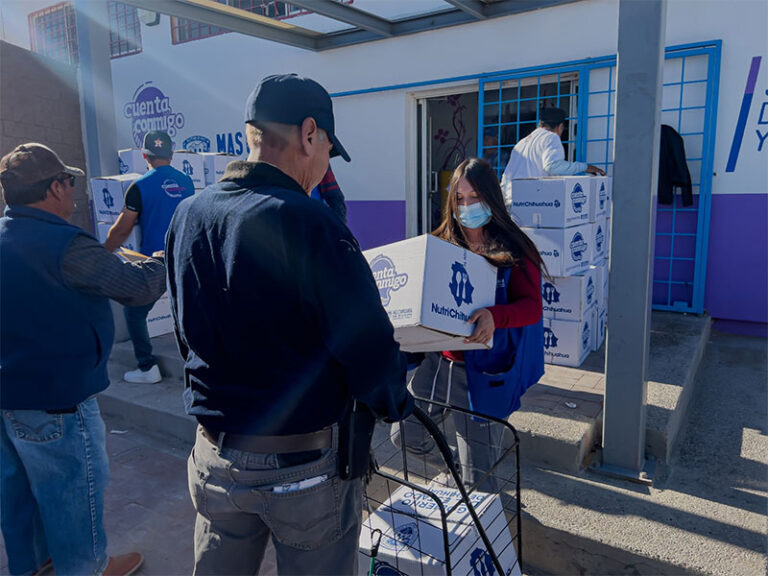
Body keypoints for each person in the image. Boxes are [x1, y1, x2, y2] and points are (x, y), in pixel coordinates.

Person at [165, 74, 414, 575]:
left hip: (214, 458)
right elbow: (367, 347)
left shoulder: (189, 214)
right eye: (326, 149)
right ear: (308, 134)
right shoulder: (312, 224)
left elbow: (185, 330)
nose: (324, 165)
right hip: (301, 472)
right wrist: (394, 399)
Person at [0, 143, 167, 576]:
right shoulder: (66, 245)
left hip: (7, 397)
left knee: (18, 498)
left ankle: (34, 567)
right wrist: (162, 263)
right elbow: (135, 288)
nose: (72, 191)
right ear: (55, 188)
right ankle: (87, 568)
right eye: (69, 181)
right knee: (72, 496)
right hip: (57, 402)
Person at [399, 157, 545, 492]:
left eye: (475, 198)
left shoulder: (516, 247)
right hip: (438, 365)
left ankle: (483, 524)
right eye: (460, 199)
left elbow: (532, 308)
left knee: (480, 475)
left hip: (483, 372)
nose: (467, 206)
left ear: (491, 198)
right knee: (406, 435)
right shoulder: (440, 243)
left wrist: (497, 316)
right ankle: (457, 474)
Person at [105, 130, 194, 384]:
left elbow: (122, 230)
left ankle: (147, 367)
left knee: (134, 313)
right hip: (184, 258)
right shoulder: (187, 182)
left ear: (145, 155)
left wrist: (102, 254)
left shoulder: (139, 187)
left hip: (154, 263)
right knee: (184, 313)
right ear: (172, 154)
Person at [500, 107, 606, 209]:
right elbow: (552, 166)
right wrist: (585, 167)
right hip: (532, 203)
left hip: (511, 202)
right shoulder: (551, 137)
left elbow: (506, 177)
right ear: (560, 127)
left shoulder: (521, 143)